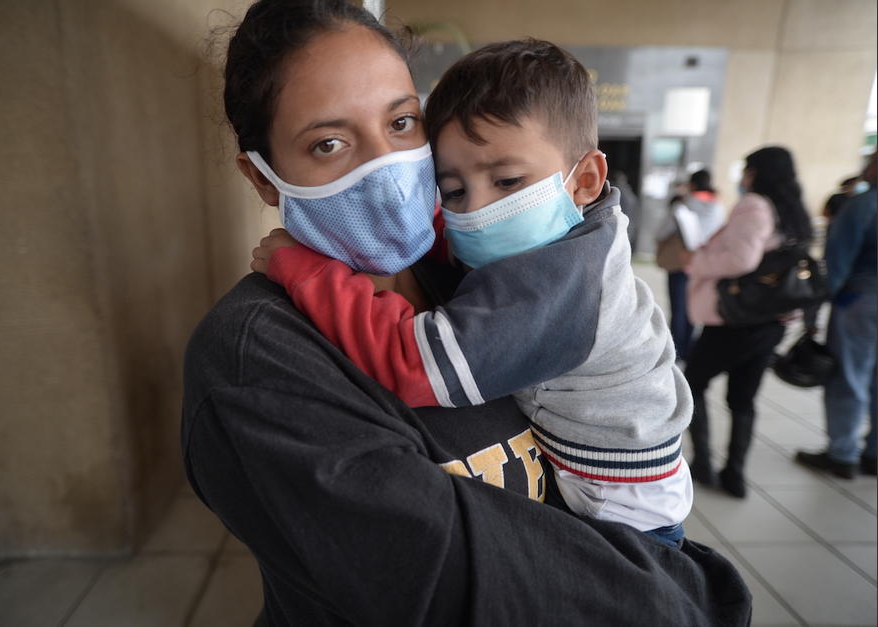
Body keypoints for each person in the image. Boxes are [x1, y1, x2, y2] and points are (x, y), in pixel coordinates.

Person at [181, 1, 752, 624]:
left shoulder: (478, 268)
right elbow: (456, 581)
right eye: (329, 143)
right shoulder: (257, 358)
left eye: (402, 122)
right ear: (264, 179)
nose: (386, 166)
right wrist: (691, 597)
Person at [253, 40, 693, 547]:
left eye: (507, 181)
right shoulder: (577, 234)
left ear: (586, 179)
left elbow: (411, 363)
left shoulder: (558, 282)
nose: (477, 209)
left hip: (625, 518)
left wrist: (307, 272)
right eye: (454, 191)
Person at [683, 146, 813, 498]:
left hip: (736, 319)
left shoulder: (755, 205)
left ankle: (703, 463)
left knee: (692, 384)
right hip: (772, 319)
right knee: (743, 397)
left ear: (757, 172)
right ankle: (735, 474)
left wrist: (697, 262)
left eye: (747, 169)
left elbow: (742, 259)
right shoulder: (793, 211)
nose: (743, 177)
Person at [796, 151, 877, 478]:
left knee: (850, 376)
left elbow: (837, 263)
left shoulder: (862, 206)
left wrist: (814, 310)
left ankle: (843, 454)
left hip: (860, 303)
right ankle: (874, 453)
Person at [655, 169, 726, 362]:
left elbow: (663, 231)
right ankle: (687, 349)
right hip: (703, 263)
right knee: (692, 306)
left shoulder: (684, 204)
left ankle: (675, 350)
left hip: (681, 261)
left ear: (692, 184)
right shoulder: (718, 206)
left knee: (678, 307)